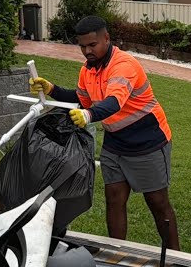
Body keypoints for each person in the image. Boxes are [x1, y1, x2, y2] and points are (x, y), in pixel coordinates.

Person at [29, 16, 180, 250]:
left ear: (106, 39)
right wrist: (52, 89)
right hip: (115, 143)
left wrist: (88, 116)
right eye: (82, 46)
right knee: (114, 199)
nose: (87, 51)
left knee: (158, 203)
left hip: (147, 141)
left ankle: (176, 260)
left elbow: (113, 102)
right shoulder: (88, 70)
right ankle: (116, 256)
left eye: (92, 45)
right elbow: (82, 99)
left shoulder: (123, 66)